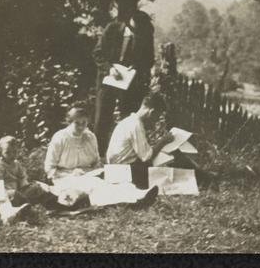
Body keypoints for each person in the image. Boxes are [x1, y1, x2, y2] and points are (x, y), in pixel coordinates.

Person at [93, 10, 155, 155]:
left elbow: (149, 60)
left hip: (130, 84)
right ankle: (98, 154)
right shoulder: (112, 29)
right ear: (128, 24)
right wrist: (110, 68)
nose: (136, 34)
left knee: (128, 118)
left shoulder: (146, 34)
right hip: (108, 79)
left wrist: (137, 66)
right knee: (102, 117)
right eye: (134, 30)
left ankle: (124, 154)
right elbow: (98, 53)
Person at [106, 92, 174, 189]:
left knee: (163, 166)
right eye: (157, 117)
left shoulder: (129, 121)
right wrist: (163, 141)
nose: (156, 121)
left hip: (117, 169)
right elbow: (146, 156)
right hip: (123, 172)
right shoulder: (136, 125)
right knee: (166, 171)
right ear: (152, 112)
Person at [0, 136, 58, 207]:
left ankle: (50, 200)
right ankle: (28, 203)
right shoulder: (0, 166)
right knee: (15, 196)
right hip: (8, 193)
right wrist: (7, 191)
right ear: (0, 152)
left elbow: (22, 176)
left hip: (20, 189)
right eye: (7, 152)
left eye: (14, 152)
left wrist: (24, 185)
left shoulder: (16, 163)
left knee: (37, 186)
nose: (12, 155)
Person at [44, 106, 101, 181]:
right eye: (77, 123)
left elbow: (96, 162)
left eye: (84, 123)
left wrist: (95, 169)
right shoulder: (60, 138)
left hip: (88, 177)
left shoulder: (90, 137)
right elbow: (49, 169)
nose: (81, 127)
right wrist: (70, 175)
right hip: (64, 178)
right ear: (69, 122)